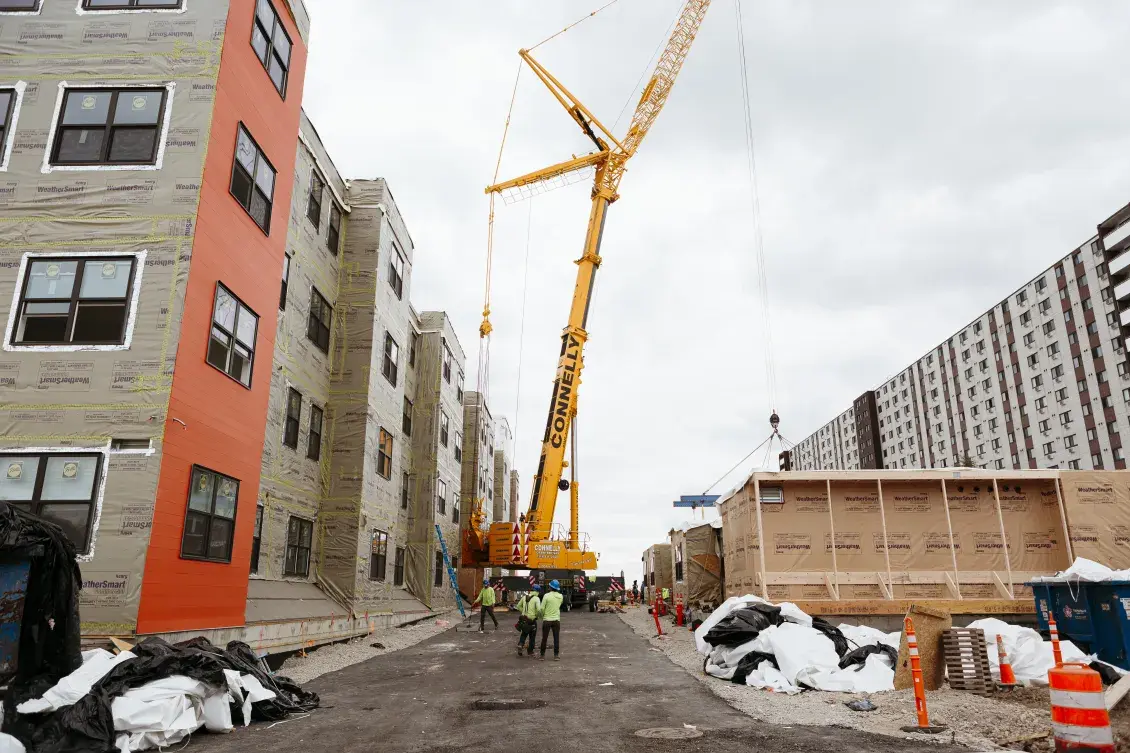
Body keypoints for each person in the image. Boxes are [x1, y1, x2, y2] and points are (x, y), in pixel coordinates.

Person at [539, 579, 564, 660]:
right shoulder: (560, 596)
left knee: (544, 638)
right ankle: (556, 655)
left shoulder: (546, 596)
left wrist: (542, 616)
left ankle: (542, 655)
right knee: (556, 638)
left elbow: (542, 608)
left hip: (547, 620)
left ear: (550, 587)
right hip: (556, 620)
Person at [516, 586, 540, 657]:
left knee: (524, 633)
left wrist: (523, 612)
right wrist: (536, 616)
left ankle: (520, 644)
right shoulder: (536, 599)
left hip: (523, 619)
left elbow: (518, 606)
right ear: (537, 592)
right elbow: (538, 610)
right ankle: (530, 651)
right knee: (532, 636)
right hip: (531, 620)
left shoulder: (524, 597)